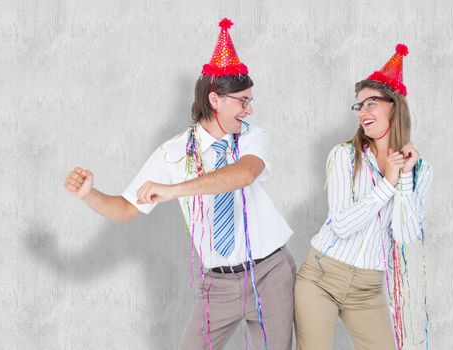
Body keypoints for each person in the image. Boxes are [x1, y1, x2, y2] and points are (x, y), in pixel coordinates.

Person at [64, 18, 295, 350]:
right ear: (216, 100)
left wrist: (174, 189)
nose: (250, 109)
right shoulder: (172, 153)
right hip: (218, 284)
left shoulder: (252, 138)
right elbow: (127, 208)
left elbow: (244, 174)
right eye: (242, 100)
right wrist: (88, 195)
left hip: (270, 273)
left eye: (249, 99)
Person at [294, 44, 433, 350]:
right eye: (359, 106)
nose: (363, 113)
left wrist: (405, 178)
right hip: (321, 276)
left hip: (368, 289)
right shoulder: (344, 156)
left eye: (372, 103)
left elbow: (405, 234)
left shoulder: (420, 170)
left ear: (394, 106)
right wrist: (387, 183)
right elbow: (342, 224)